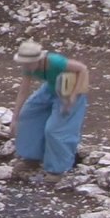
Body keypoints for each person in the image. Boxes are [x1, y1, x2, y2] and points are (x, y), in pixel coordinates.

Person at [10, 40, 90, 182]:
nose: (26, 66)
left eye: (28, 63)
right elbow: (23, 91)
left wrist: (72, 96)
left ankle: (57, 169)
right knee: (29, 115)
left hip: (70, 90)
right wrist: (15, 118)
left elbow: (82, 69)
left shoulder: (56, 62)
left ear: (38, 59)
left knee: (55, 130)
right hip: (51, 88)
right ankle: (32, 158)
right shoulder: (28, 67)